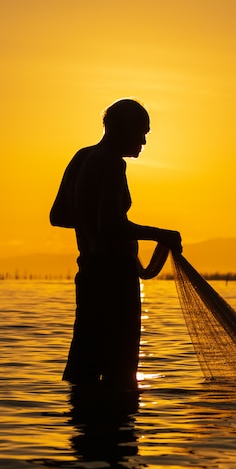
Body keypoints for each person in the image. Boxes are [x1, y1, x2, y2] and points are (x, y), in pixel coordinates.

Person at [50, 99, 181, 391]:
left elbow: (59, 216)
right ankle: (115, 427)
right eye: (142, 132)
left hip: (89, 275)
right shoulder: (111, 163)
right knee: (119, 369)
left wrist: (91, 222)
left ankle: (82, 426)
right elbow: (109, 224)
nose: (145, 141)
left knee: (85, 359)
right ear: (123, 129)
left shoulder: (82, 157)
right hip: (114, 280)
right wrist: (163, 234)